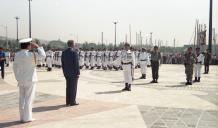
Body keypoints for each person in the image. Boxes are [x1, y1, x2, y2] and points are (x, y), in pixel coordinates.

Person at [13, 38, 46, 123]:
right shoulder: (31, 55)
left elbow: (15, 68)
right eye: (30, 45)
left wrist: (18, 78)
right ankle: (27, 118)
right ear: (28, 45)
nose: (31, 46)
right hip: (31, 79)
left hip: (21, 80)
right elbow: (43, 56)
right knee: (29, 99)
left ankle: (22, 117)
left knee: (22, 99)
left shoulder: (17, 55)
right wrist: (38, 46)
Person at [61, 40, 80, 106]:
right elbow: (76, 64)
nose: (74, 45)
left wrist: (64, 72)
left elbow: (62, 63)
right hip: (73, 73)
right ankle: (72, 102)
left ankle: (68, 101)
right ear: (72, 44)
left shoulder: (64, 52)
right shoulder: (74, 52)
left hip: (66, 73)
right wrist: (78, 73)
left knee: (68, 87)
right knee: (73, 87)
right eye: (74, 44)